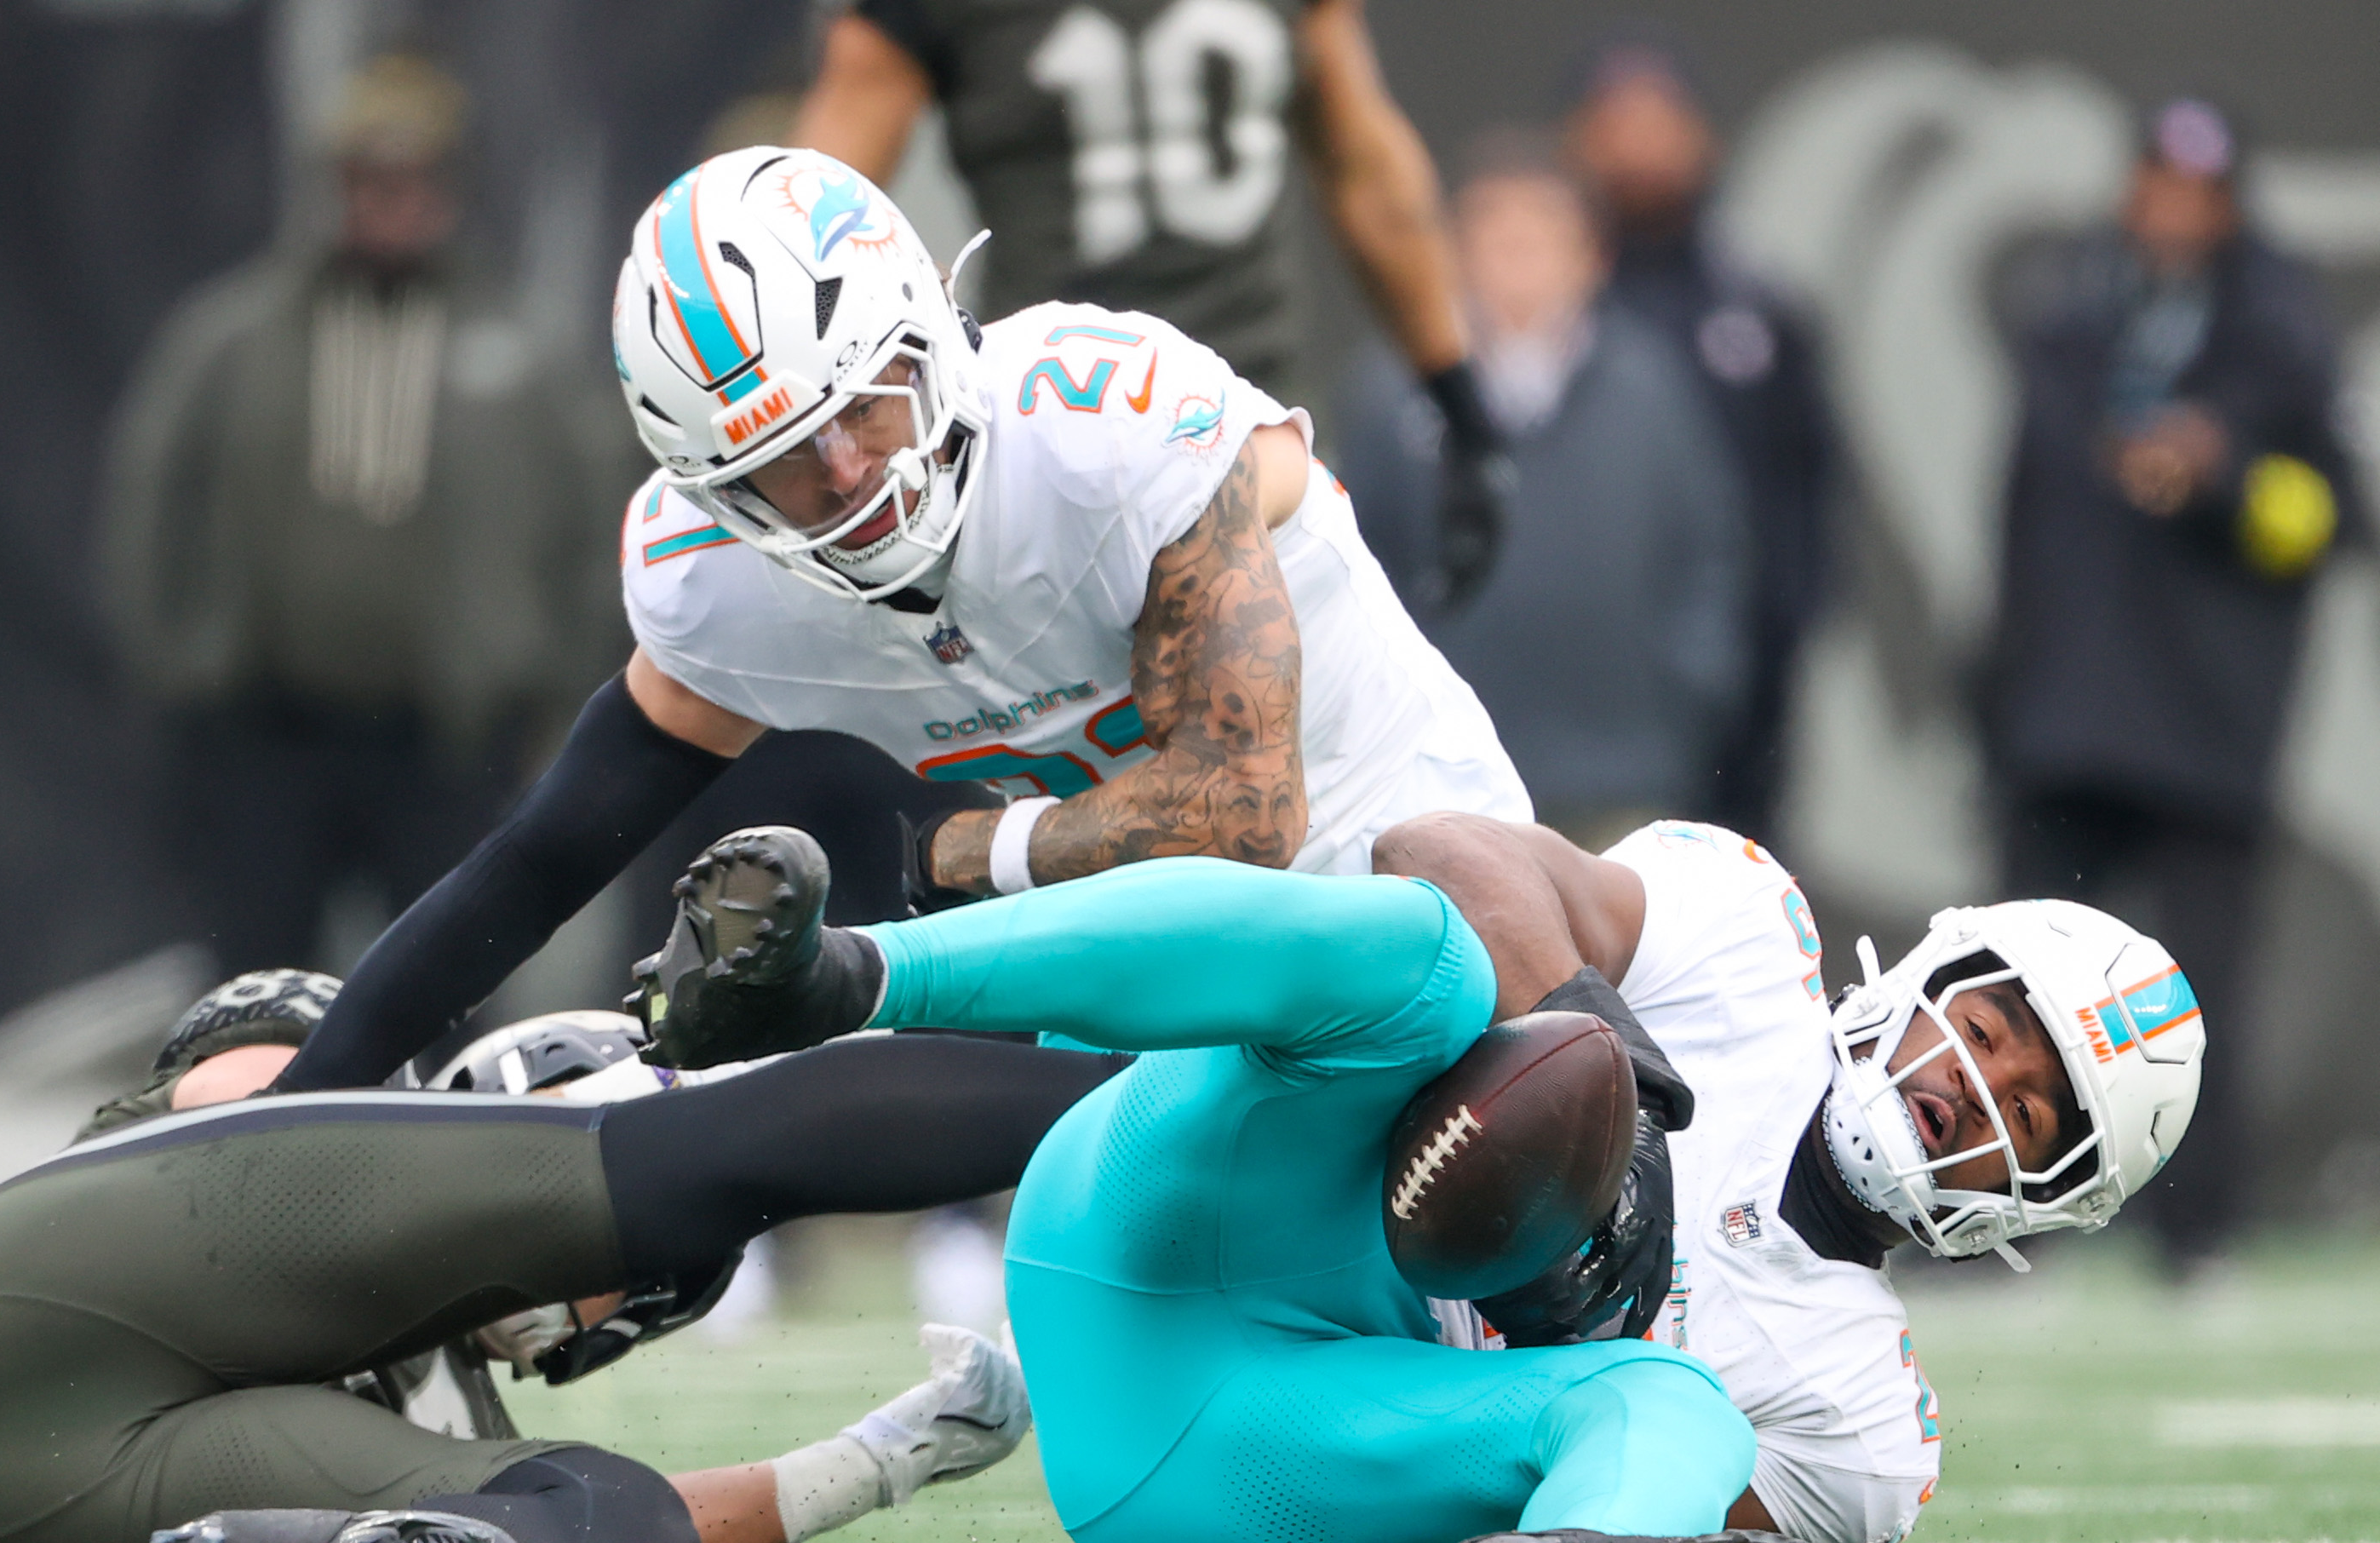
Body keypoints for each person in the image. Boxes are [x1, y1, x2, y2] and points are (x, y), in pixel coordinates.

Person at [632, 800, 2202, 1543]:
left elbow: (1683, 1493)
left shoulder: (1861, 1418)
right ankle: (851, 976)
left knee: (1656, 1396)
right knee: (1429, 959)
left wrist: (1580, 1353)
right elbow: (1438, 843)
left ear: (2050, 1199)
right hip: (1149, 1205)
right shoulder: (1739, 938)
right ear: (1928, 976)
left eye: (2033, 1114)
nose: (1974, 1088)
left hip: (1232, 1457)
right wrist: (1606, 1074)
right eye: (1989, 1029)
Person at [272, 145, 1527, 1096]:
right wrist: (301, 1099)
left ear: (928, 325)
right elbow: (539, 862)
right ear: (714, 488)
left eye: (865, 404)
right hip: (1147, 1006)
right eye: (785, 463)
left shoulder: (1102, 426)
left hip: (1419, 885)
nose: (851, 475)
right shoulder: (718, 585)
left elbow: (1247, 817)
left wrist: (964, 857)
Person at [0, 968, 1124, 1543]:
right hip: (45, 1314)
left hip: (38, 1534)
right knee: (715, 1158)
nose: (604, 1315)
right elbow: (237, 1101)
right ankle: (1159, 1100)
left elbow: (633, 1540)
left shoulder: (442, 1366)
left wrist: (879, 1461)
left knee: (605, 1535)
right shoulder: (297, 1128)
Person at [99, 54, 620, 980]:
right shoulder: (238, 337)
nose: (390, 202)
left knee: (444, 981)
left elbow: (585, 530)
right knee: (250, 983)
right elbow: (152, 495)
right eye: (368, 180)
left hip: (442, 744)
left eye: (413, 179)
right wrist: (183, 664)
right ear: (334, 189)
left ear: (451, 191)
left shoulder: (517, 355)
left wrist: (546, 689)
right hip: (271, 736)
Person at [1980, 96, 2355, 1280]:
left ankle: (2198, 1241)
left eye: (2199, 189)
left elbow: (2334, 517)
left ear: (2232, 205)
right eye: (2157, 182)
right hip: (2065, 720)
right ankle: (2003, 1227)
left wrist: (2228, 476)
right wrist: (2002, 684)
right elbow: (2021, 525)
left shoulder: (2281, 337)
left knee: (2191, 1000)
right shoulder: (2070, 322)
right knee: (2017, 992)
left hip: (2205, 724)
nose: (2172, 210)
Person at [794, 0, 1511, 605]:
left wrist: (1460, 403)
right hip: (1056, 442)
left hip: (1233, 426)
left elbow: (805, 228)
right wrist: (1458, 401)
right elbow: (813, 219)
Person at [1344, 135, 1746, 847]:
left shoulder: (1654, 389)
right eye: (1495, 236)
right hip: (1442, 794)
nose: (1517, 257)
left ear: (1593, 258)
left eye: (1540, 236)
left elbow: (1710, 557)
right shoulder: (1389, 396)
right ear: (1454, 257)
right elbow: (1351, 568)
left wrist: (1684, 695)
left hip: (1625, 783)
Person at [1560, 33, 1838, 846]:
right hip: (1574, 703)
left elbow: (1810, 487)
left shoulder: (1758, 316)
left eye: (1660, 122)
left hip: (1738, 707)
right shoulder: (1542, 325)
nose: (1640, 148)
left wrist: (1761, 644)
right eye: (1617, 123)